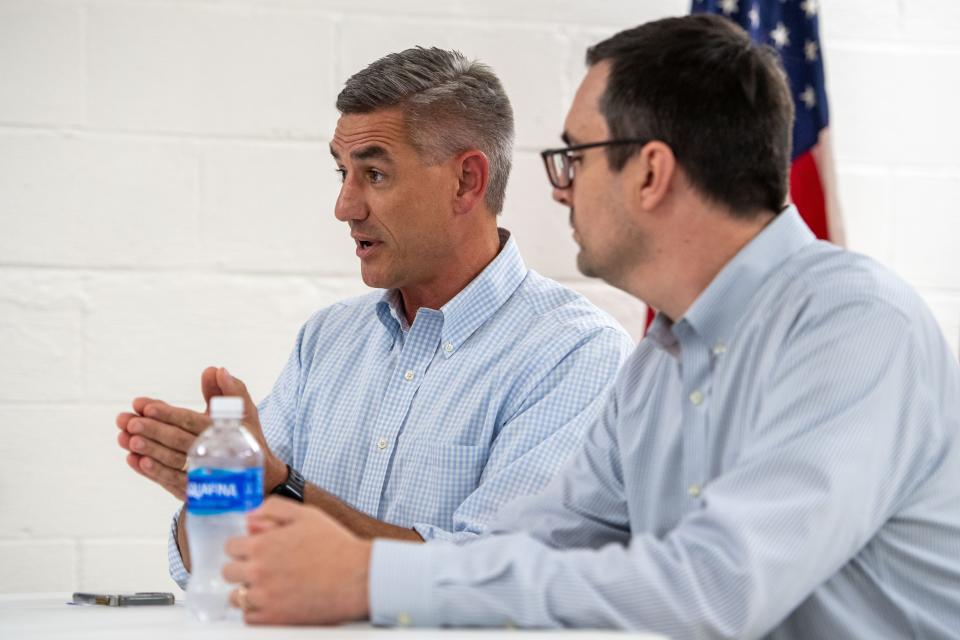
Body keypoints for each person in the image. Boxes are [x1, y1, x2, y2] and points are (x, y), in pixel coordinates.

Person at [220, 14, 960, 638]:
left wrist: (371, 576)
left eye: (575, 157)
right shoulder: (659, 362)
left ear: (650, 172)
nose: (560, 189)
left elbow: (719, 587)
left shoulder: (854, 325)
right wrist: (339, 556)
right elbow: (531, 549)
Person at [115, 47, 634, 588]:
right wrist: (215, 495)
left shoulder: (577, 354)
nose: (345, 206)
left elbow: (492, 580)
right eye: (343, 173)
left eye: (375, 174)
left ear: (466, 181)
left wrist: (278, 490)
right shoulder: (327, 339)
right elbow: (209, 570)